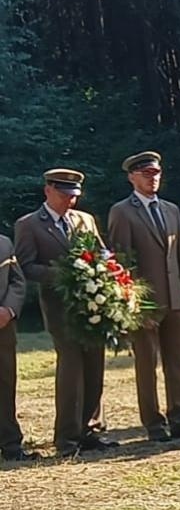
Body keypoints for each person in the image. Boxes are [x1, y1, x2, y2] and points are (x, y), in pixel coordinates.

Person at [13, 169, 114, 455]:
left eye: (73, 196)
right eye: (63, 195)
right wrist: (64, 273)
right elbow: (26, 266)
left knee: (95, 365)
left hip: (92, 304)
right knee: (71, 368)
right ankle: (67, 438)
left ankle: (91, 430)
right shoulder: (29, 224)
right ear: (48, 190)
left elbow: (101, 253)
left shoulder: (84, 219)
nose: (69, 201)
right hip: (60, 307)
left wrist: (105, 271)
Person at [106, 151, 180, 442]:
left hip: (174, 298)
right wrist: (131, 301)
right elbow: (120, 260)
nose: (153, 178)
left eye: (156, 173)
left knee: (177, 362)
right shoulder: (122, 211)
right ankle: (153, 424)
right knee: (146, 364)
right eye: (146, 174)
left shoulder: (172, 209)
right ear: (132, 177)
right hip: (143, 302)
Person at [0, 227, 30, 460]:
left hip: (3, 328)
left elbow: (17, 281)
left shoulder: (4, 243)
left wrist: (8, 310)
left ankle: (11, 445)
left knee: (5, 384)